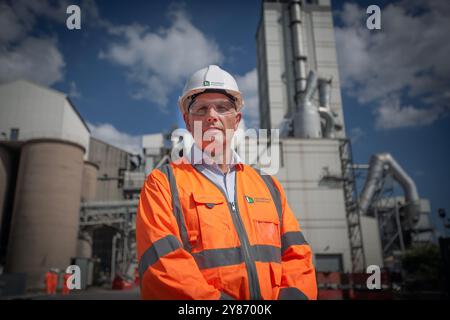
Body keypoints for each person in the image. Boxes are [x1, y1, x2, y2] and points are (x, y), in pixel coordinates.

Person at [136, 65, 317, 300]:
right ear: (188, 122)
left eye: (222, 108)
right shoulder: (162, 184)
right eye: (201, 109)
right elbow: (163, 268)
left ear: (236, 120)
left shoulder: (268, 186)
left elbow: (297, 256)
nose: (212, 115)